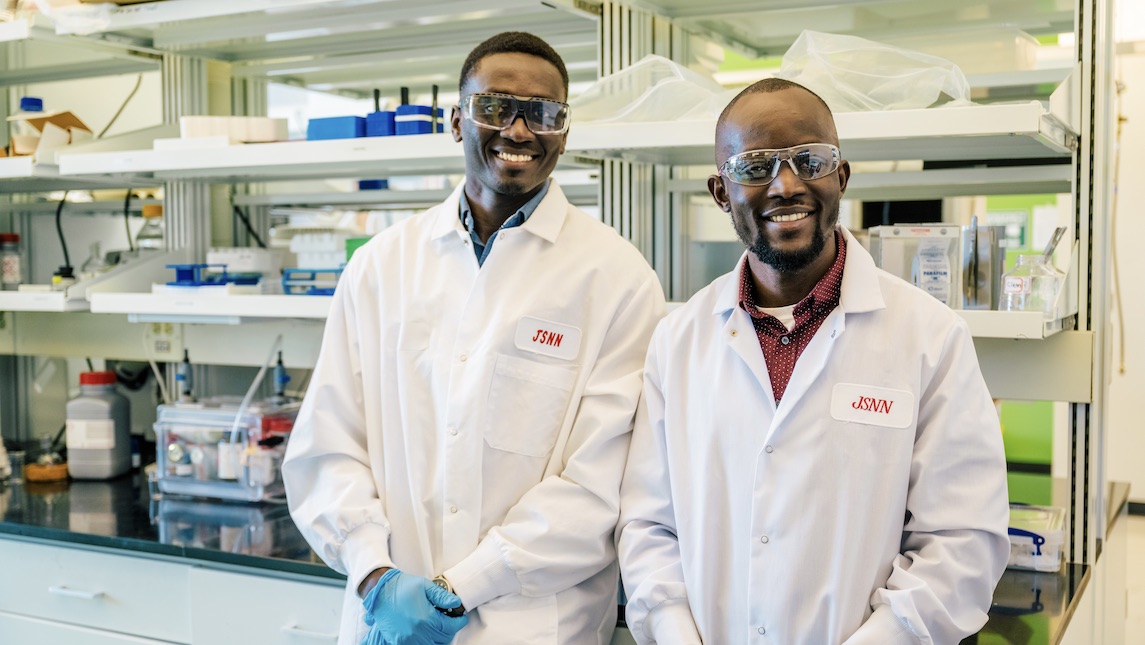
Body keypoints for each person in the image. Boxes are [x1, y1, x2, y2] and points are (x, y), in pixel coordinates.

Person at [282, 31, 666, 645]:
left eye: (543, 113)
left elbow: (599, 485)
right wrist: (375, 574)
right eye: (494, 107)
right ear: (456, 121)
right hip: (388, 615)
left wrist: (460, 587)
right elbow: (328, 445)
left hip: (533, 626)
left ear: (564, 132)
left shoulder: (618, 277)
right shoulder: (381, 266)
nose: (519, 130)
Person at [616, 78, 1010, 645]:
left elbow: (962, 541)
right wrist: (674, 631)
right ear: (721, 192)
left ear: (841, 177)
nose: (786, 185)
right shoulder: (677, 341)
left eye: (810, 160)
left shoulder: (931, 337)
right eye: (755, 167)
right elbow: (649, 524)